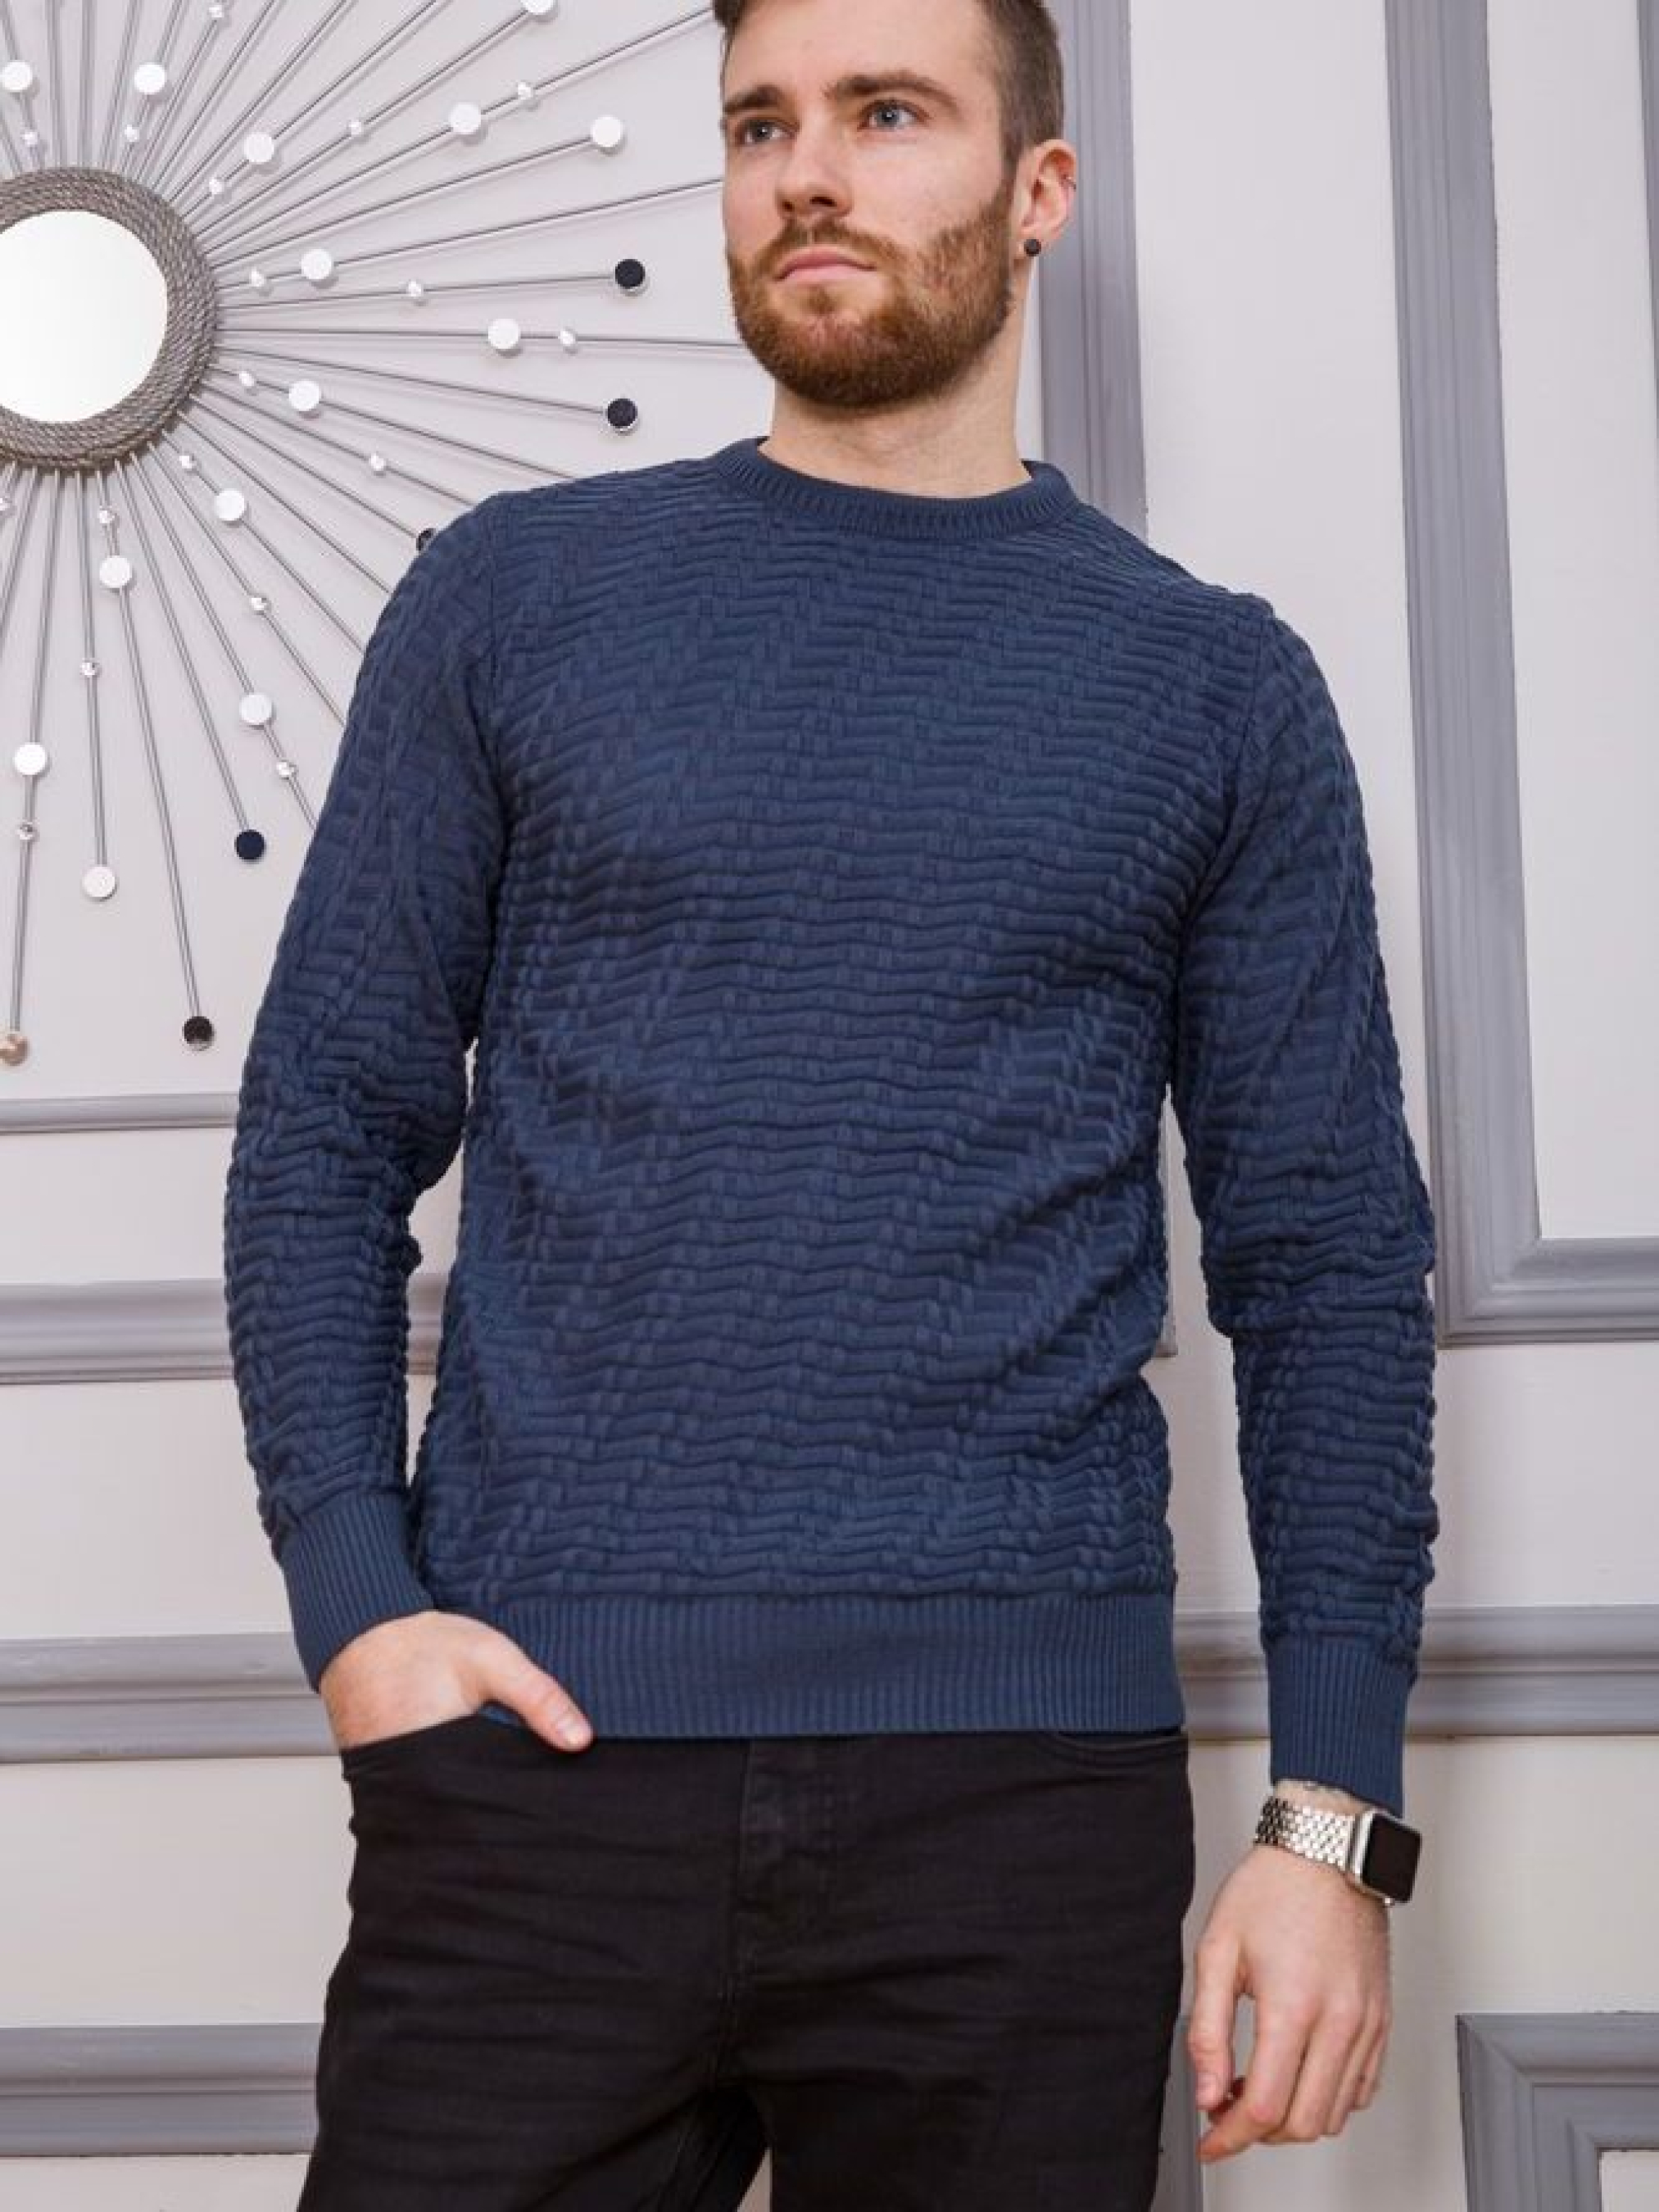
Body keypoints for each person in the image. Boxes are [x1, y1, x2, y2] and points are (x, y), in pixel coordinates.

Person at [221, 0, 1440, 2202]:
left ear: (1037, 190)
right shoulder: (515, 601)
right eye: (760, 122)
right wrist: (356, 1612)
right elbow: (323, 1128)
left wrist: (1331, 1816)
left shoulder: (1211, 684)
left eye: (888, 114)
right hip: (535, 1790)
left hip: (1021, 1818)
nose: (808, 171)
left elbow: (1329, 1262)